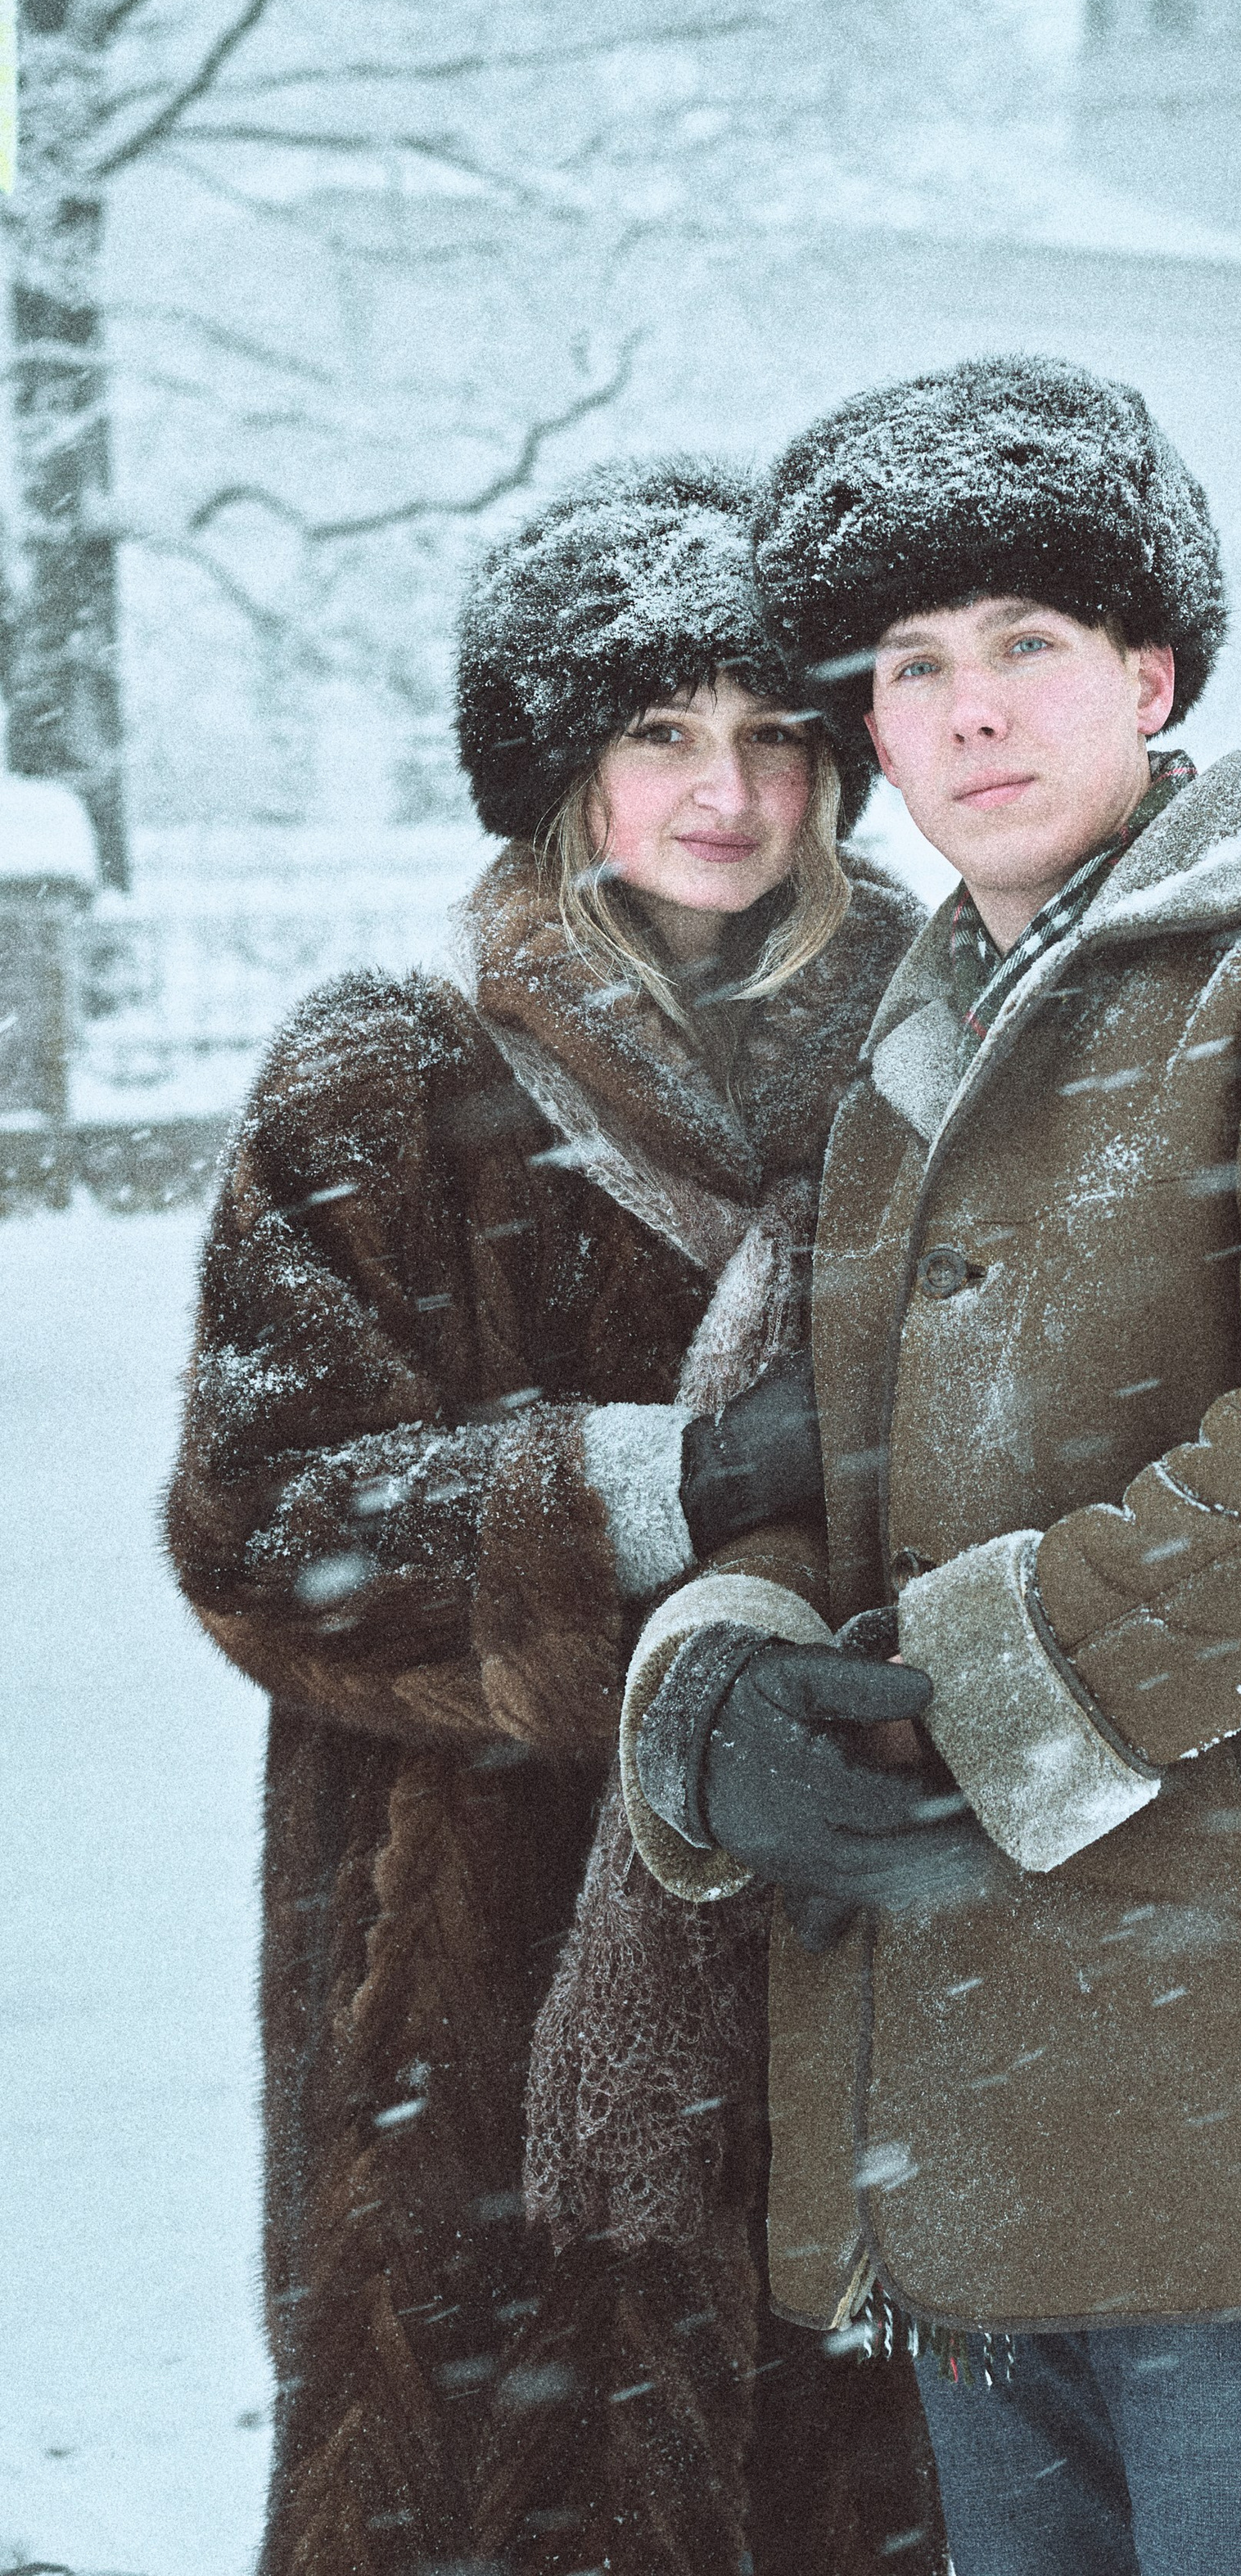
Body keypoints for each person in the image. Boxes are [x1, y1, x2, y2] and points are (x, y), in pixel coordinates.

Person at [619, 359, 1241, 2576]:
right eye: (913, 671)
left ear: (1149, 671)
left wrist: (983, 1689)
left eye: (1028, 649)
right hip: (956, 2108)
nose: (968, 716)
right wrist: (732, 1678)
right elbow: (811, 1464)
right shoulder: (901, 1043)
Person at [162, 457, 942, 2576]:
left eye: (780, 734)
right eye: (661, 733)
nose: (729, 793)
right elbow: (265, 1522)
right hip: (477, 2007)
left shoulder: (949, 1065)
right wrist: (644, 1490)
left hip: (856, 1946)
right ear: (561, 767)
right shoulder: (384, 1081)